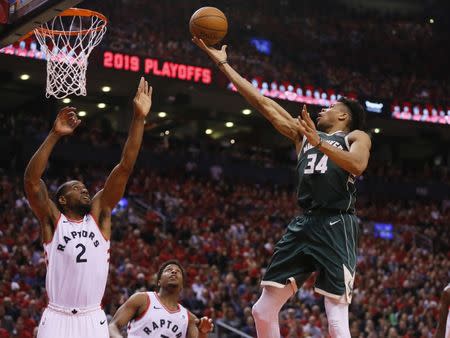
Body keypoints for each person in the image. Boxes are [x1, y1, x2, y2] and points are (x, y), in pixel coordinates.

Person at [192, 37, 371, 338]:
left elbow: (357, 165)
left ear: (343, 116)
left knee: (336, 319)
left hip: (336, 222)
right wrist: (222, 64)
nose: (321, 110)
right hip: (305, 222)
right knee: (262, 310)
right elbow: (261, 102)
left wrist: (320, 144)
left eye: (329, 107)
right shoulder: (301, 135)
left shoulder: (356, 136)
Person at [24, 77, 153, 338]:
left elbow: (125, 167)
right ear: (61, 199)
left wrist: (139, 118)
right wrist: (54, 135)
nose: (84, 189)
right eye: (76, 188)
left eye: (85, 187)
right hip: (57, 316)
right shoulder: (52, 221)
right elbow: (32, 181)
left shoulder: (99, 215)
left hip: (93, 316)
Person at [108, 260, 214, 338]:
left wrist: (202, 333)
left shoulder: (190, 319)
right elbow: (113, 326)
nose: (173, 272)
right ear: (159, 281)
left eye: (178, 271)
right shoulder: (142, 299)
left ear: (182, 285)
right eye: (169, 270)